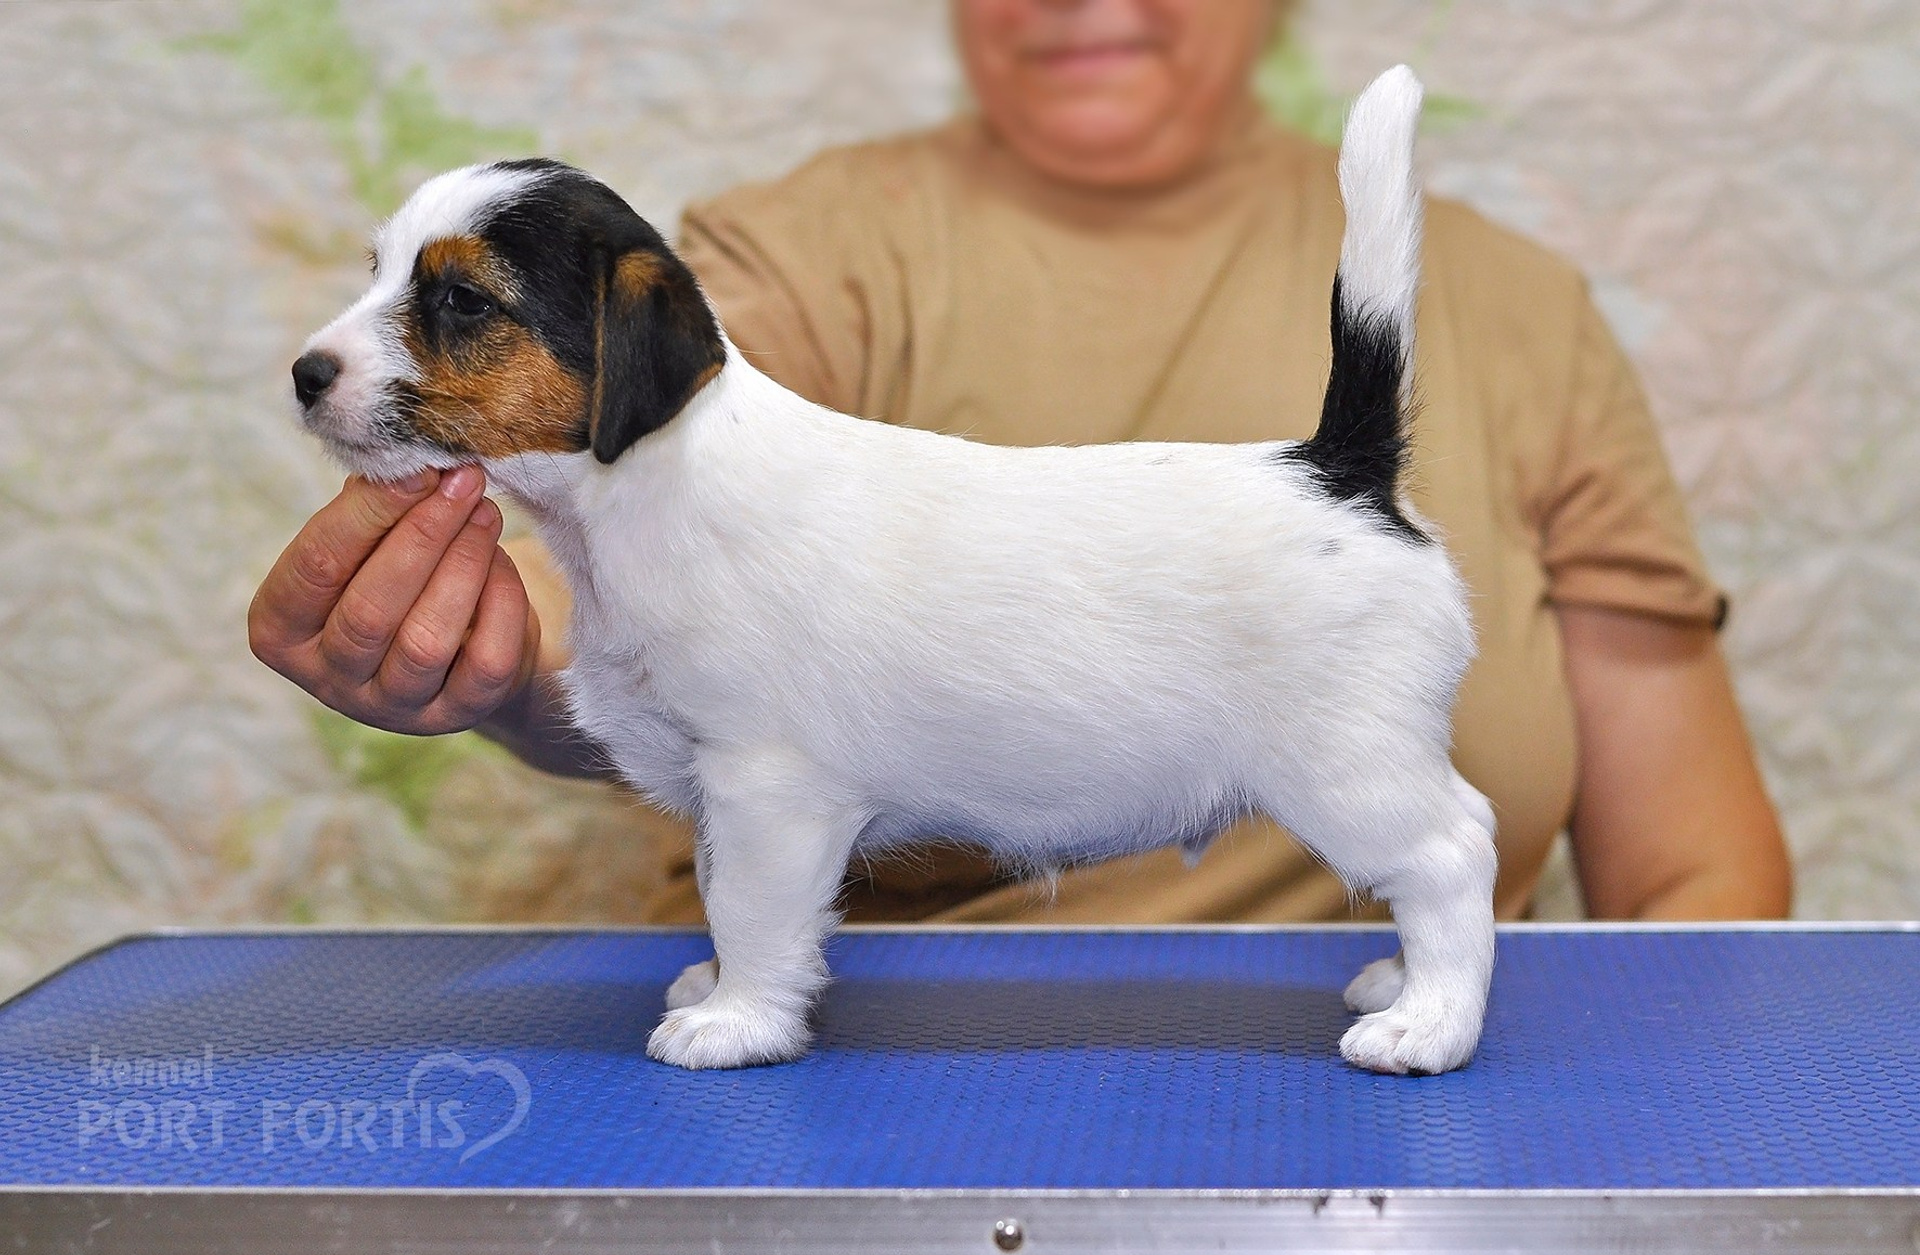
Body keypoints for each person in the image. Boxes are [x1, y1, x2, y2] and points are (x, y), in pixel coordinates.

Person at [249, 0, 1791, 924]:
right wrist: (499, 655)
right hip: (882, 1079)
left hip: (1390, 1082)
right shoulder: (794, 258)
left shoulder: (1524, 305)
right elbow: (623, 510)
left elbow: (1697, 875)